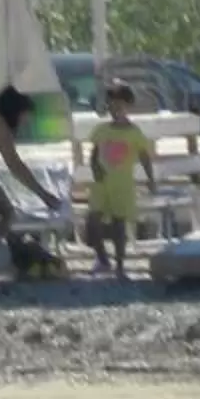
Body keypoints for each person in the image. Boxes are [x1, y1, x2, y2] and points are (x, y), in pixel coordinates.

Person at [86, 81, 158, 279]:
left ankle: (119, 266)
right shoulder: (101, 130)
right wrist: (95, 168)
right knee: (92, 221)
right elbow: (94, 154)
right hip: (101, 183)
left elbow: (144, 156)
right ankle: (102, 258)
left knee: (119, 225)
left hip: (123, 184)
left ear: (128, 107)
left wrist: (151, 179)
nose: (115, 109)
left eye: (119, 105)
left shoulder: (134, 132)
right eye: (111, 105)